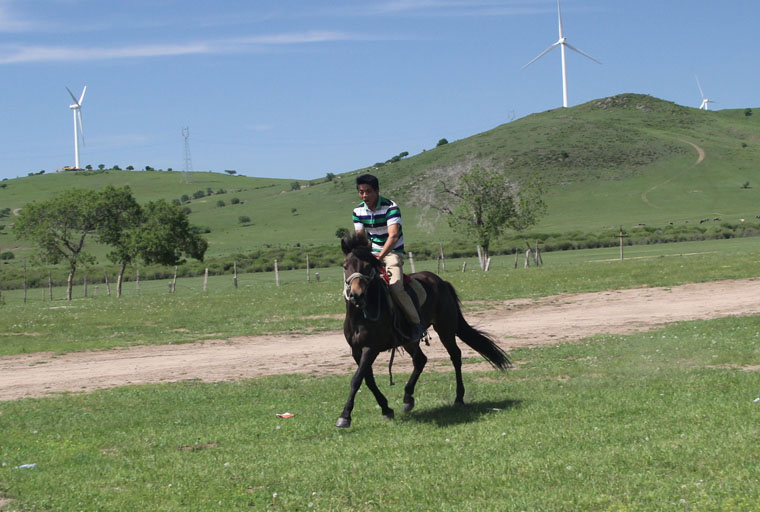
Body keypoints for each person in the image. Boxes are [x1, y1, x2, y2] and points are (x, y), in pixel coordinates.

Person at [352, 174, 424, 340]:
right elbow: (361, 238)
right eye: (361, 192)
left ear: (377, 191)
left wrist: (380, 256)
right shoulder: (358, 211)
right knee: (353, 283)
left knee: (396, 287)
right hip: (372, 254)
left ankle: (416, 324)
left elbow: (393, 236)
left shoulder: (391, 208)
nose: (364, 195)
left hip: (392, 252)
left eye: (368, 191)